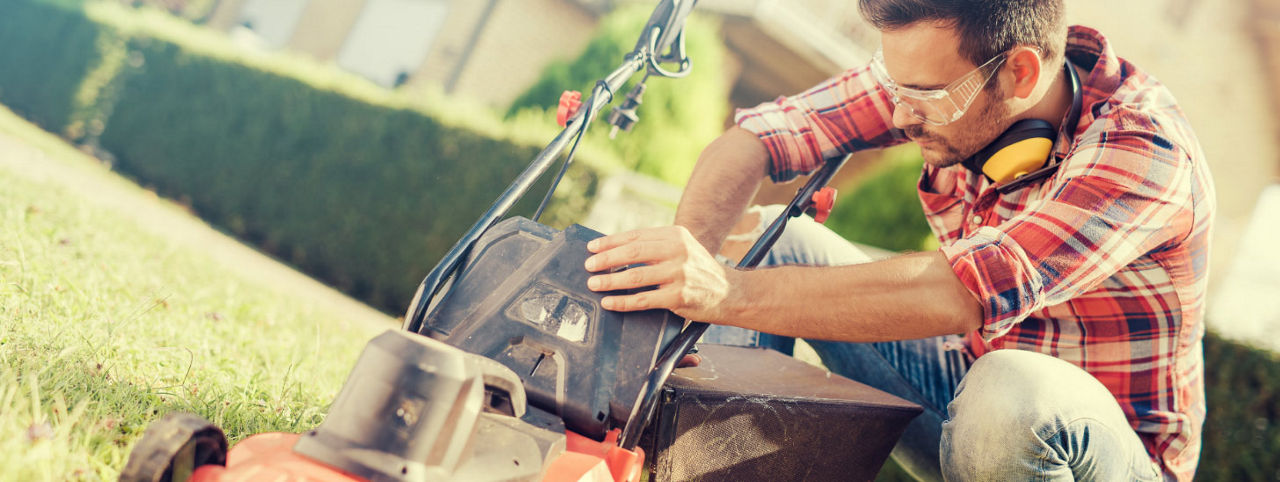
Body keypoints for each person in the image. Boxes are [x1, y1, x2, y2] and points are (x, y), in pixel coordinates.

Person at [583, 0, 1214, 480]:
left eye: (922, 95)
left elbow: (965, 290)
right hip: (961, 391)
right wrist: (678, 284)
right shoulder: (940, 69)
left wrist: (726, 292)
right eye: (894, 86)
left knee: (1013, 392)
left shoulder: (1145, 151)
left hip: (1095, 454)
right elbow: (757, 138)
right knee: (774, 240)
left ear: (1020, 74)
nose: (898, 115)